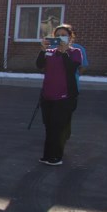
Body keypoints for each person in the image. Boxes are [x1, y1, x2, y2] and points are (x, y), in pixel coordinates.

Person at [36, 23, 83, 166]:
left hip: (64, 97)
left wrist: (63, 52)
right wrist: (43, 51)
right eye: (57, 35)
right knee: (48, 125)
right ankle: (47, 155)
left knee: (58, 126)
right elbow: (39, 65)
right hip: (48, 96)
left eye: (63, 35)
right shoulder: (50, 51)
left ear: (70, 37)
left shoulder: (75, 52)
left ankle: (56, 156)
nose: (60, 38)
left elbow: (71, 68)